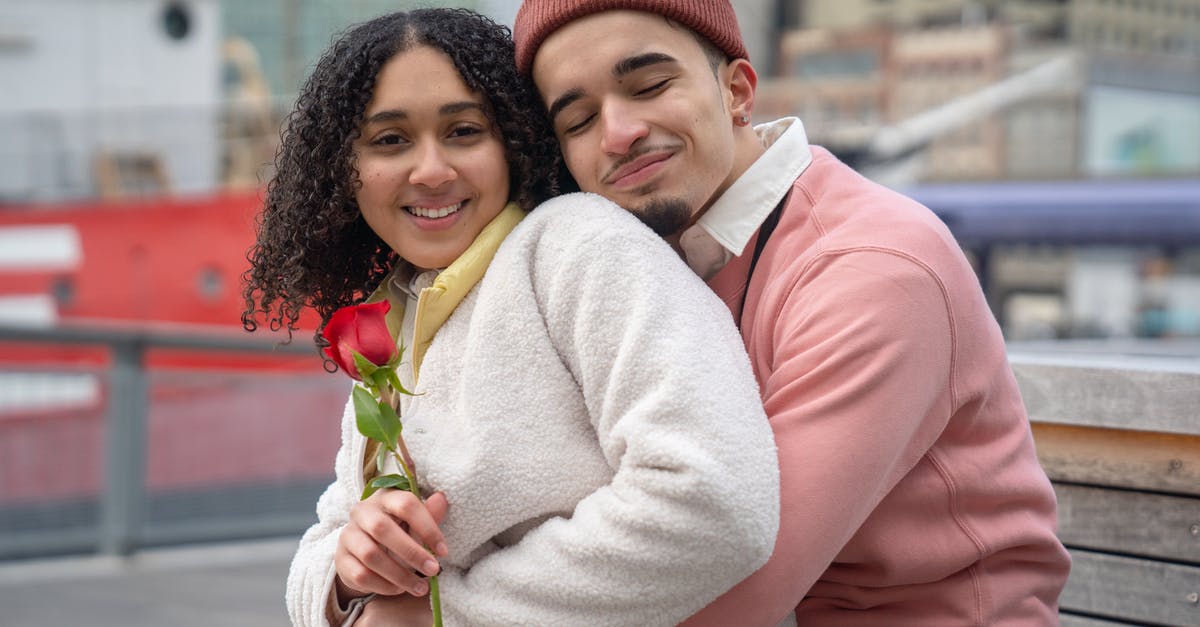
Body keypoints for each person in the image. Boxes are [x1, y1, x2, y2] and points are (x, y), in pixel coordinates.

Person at [511, 1, 1073, 624]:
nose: (619, 133)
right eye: (579, 120)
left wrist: (430, 608)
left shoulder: (872, 268)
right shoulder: (647, 260)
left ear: (737, 92)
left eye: (649, 86)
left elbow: (729, 586)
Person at [241, 8, 780, 627]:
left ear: (514, 141)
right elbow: (324, 546)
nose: (433, 170)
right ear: (345, 172)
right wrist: (349, 568)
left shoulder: (578, 246)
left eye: (465, 131)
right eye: (390, 140)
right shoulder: (403, 311)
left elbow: (717, 501)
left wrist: (445, 617)